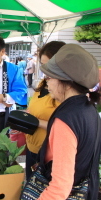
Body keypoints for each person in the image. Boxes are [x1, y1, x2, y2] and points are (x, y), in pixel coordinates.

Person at [34, 44, 101, 199]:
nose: (47, 83)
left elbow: (59, 188)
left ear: (65, 81)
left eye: (49, 77)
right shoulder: (89, 108)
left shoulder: (65, 120)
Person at [24, 41, 65, 180]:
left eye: (49, 65)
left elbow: (66, 127)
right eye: (42, 64)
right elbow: (34, 108)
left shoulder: (64, 91)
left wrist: (35, 122)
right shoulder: (43, 83)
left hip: (48, 155)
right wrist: (25, 118)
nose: (45, 70)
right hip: (32, 148)